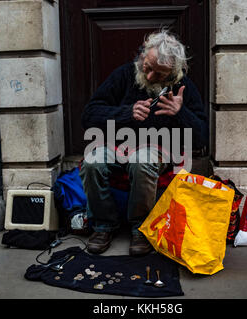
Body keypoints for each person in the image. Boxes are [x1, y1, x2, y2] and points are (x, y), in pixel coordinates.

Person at [79, 30, 208, 255]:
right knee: (92, 161)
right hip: (116, 145)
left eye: (159, 74)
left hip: (158, 148)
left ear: (174, 73)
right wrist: (125, 113)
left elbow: (201, 137)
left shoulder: (182, 86)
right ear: (142, 55)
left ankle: (141, 227)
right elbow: (89, 115)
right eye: (147, 67)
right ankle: (103, 225)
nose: (149, 77)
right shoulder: (123, 75)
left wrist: (180, 113)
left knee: (142, 160)